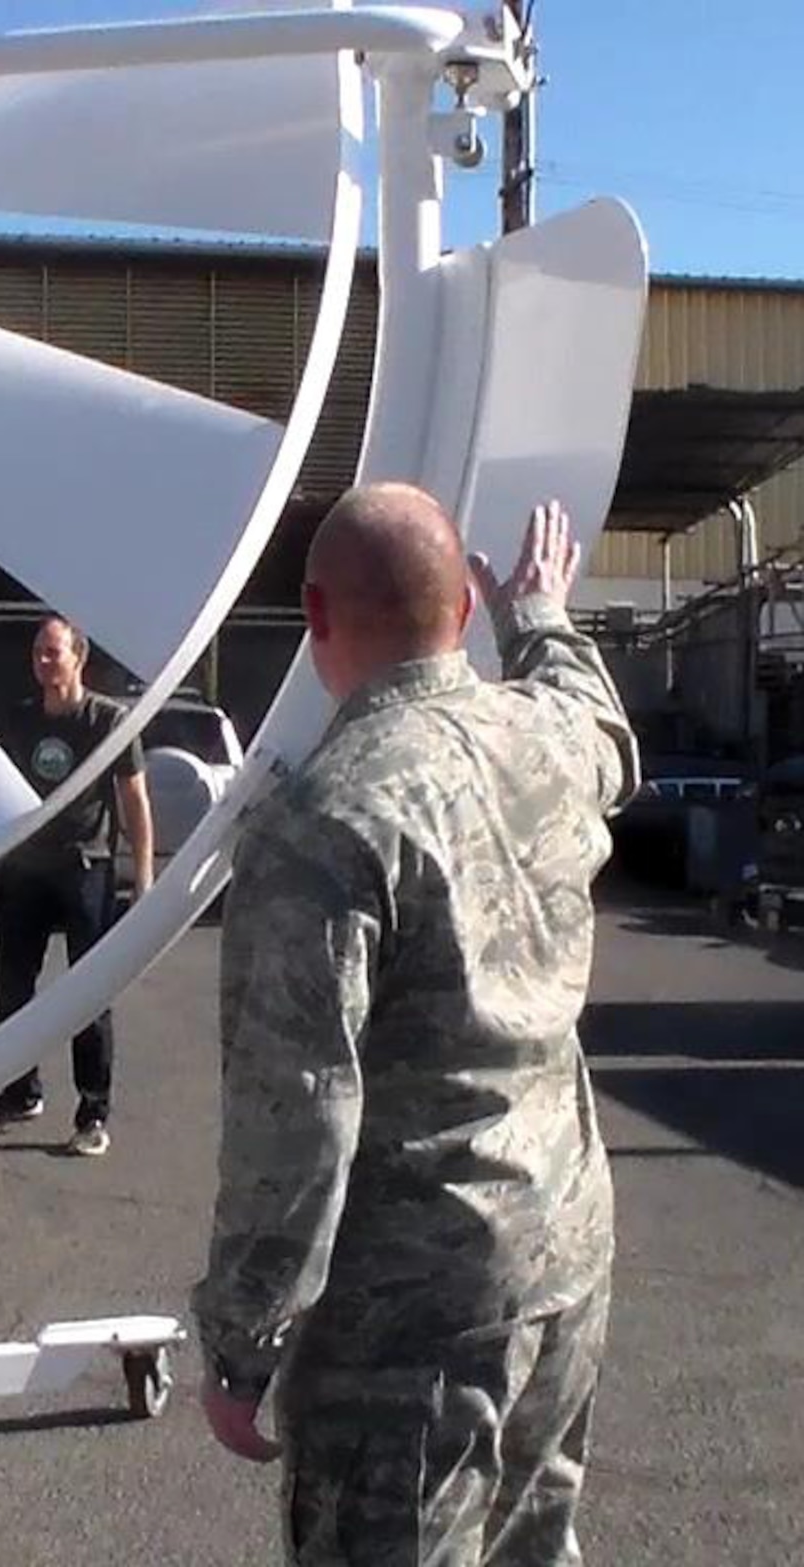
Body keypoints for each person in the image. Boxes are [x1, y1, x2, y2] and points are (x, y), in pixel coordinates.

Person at [192, 486, 637, 1565]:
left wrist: (243, 1344)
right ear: (458, 611)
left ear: (315, 614)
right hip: (562, 1255)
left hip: (414, 1318)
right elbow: (606, 739)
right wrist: (539, 618)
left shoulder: (321, 821)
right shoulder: (538, 737)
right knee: (533, 1541)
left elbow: (294, 1123)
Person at [0, 615, 153, 1157]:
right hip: (26, 874)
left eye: (54, 652)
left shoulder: (108, 720)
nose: (44, 662)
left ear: (79, 658)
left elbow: (135, 803)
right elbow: (0, 803)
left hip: (85, 872)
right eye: (38, 653)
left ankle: (93, 1114)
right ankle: (20, 1093)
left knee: (88, 995)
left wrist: (142, 879)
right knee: (11, 989)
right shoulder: (22, 720)